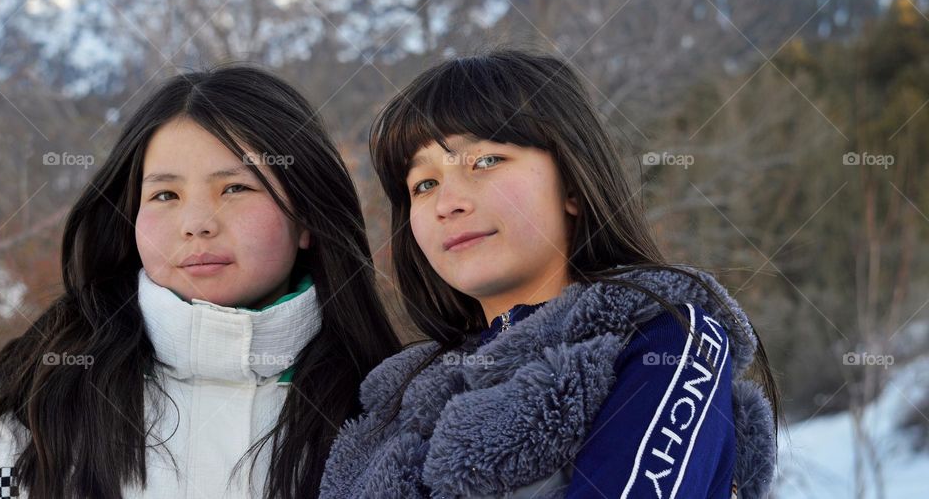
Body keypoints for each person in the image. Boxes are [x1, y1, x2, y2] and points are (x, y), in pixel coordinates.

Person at [321, 49, 779, 498]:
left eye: (485, 161)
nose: (447, 203)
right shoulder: (404, 400)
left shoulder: (667, 336)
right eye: (424, 184)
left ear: (573, 185)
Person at [0, 64, 401, 499]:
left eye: (235, 188)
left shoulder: (388, 404)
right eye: (165, 195)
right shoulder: (39, 399)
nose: (196, 224)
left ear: (306, 216)